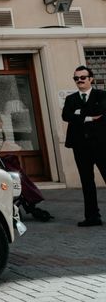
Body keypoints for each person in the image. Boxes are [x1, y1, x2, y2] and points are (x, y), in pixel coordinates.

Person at [62, 65, 106, 227]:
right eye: (76, 78)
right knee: (87, 182)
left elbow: (101, 111)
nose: (79, 81)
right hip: (80, 146)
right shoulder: (71, 99)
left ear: (90, 79)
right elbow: (66, 116)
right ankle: (92, 217)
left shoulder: (102, 95)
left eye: (82, 77)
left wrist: (79, 114)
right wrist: (88, 117)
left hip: (101, 145)